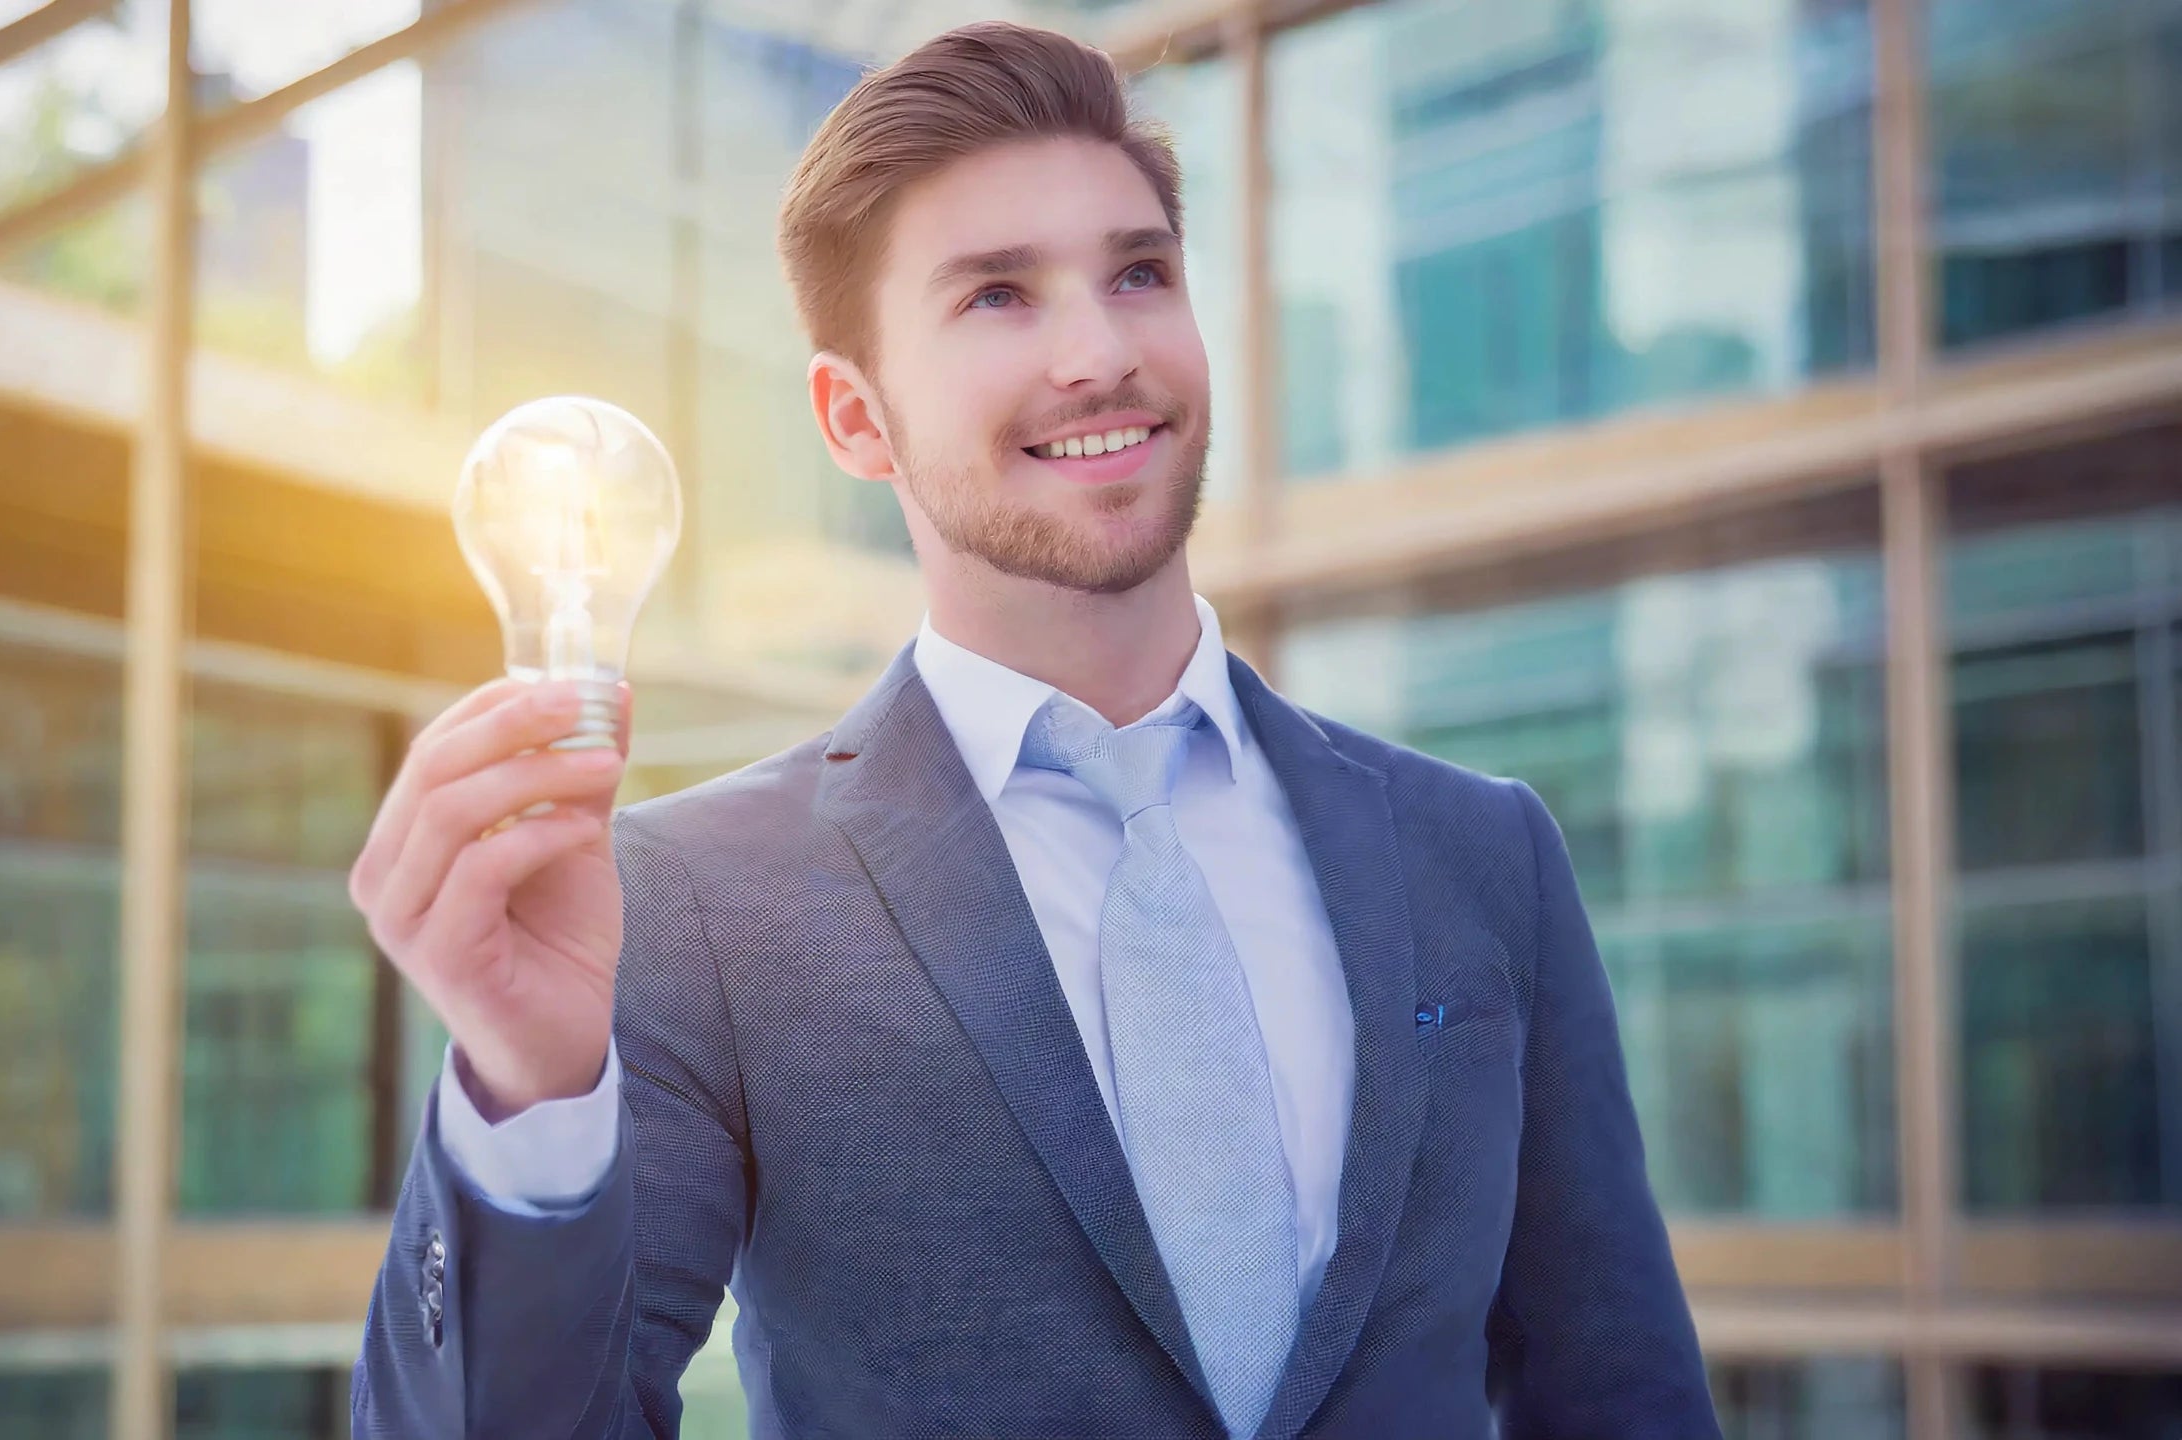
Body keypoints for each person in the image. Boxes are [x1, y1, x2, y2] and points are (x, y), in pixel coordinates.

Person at [348, 21, 1716, 1440]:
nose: (1100, 353)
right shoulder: (695, 907)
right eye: (998, 297)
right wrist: (530, 1095)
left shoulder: (1480, 854)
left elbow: (1625, 1401)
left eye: (1139, 273)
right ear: (854, 418)